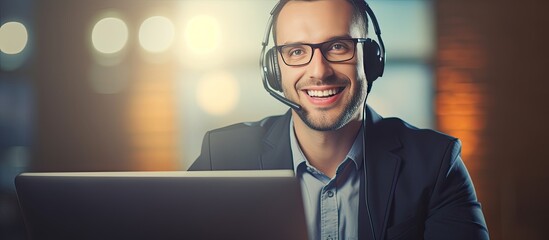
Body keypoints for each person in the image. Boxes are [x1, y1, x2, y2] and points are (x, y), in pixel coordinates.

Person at [189, 0, 489, 239]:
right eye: (295, 51)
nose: (319, 71)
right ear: (274, 69)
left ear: (371, 59)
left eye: (337, 47)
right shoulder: (223, 156)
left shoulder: (435, 164)